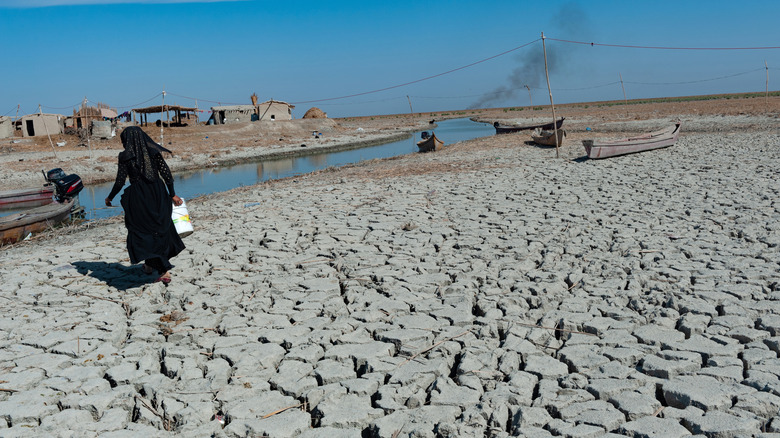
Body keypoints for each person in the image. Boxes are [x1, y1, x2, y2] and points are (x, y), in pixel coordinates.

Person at [105, 126, 185, 284]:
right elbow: (166, 174)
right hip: (158, 193)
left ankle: (163, 271)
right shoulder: (153, 151)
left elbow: (120, 181)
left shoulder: (125, 156)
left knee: (143, 231)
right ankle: (149, 265)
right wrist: (172, 194)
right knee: (159, 228)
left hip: (140, 197)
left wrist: (110, 197)